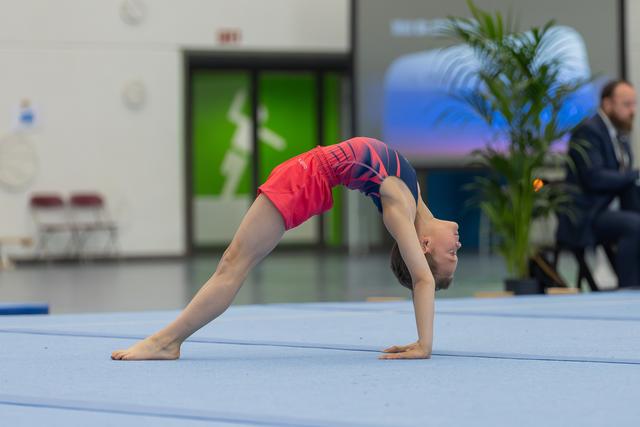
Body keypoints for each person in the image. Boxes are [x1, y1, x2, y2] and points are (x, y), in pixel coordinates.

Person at [111, 137, 461, 361]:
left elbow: (422, 279)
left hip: (305, 179)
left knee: (233, 264)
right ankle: (167, 341)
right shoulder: (414, 200)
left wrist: (423, 344)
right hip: (306, 174)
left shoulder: (398, 206)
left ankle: (166, 341)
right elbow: (423, 273)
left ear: (424, 245)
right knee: (233, 264)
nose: (457, 246)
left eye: (452, 256)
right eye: (455, 256)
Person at [557, 80, 640, 287]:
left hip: (611, 209)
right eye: (626, 104)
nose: (632, 111)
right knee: (636, 226)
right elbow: (595, 178)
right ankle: (629, 289)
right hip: (588, 214)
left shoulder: (619, 134)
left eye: (634, 104)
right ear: (608, 104)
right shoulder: (588, 131)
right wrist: (634, 174)